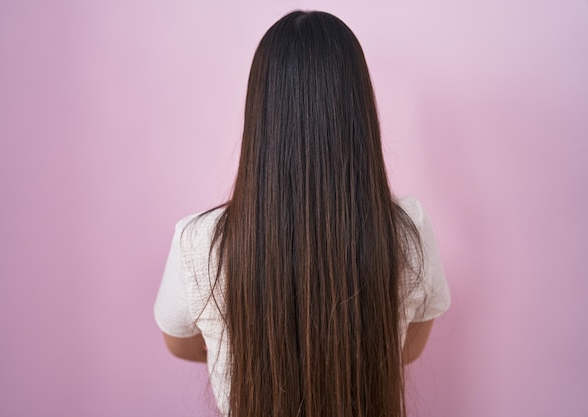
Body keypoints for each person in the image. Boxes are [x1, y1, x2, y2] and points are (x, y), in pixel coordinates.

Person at [154, 10, 450, 417]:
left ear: (260, 113)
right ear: (358, 110)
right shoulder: (408, 230)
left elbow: (179, 342)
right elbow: (408, 346)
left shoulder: (198, 242)